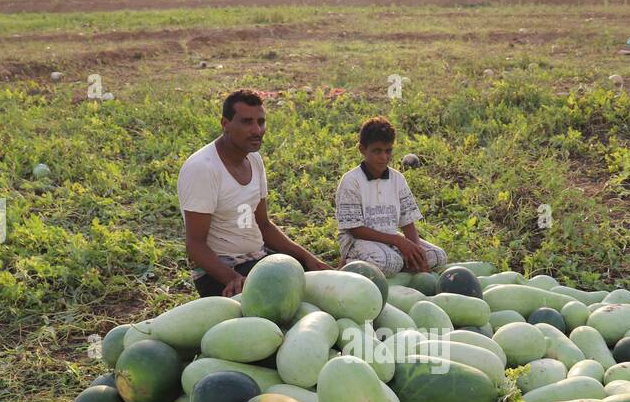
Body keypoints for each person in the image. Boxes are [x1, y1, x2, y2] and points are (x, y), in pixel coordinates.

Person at [178, 89, 329, 297]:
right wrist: (233, 279)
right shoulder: (203, 168)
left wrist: (307, 258)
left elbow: (264, 225)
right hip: (220, 273)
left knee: (320, 290)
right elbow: (195, 245)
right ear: (225, 124)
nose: (257, 130)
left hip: (259, 260)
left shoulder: (254, 159)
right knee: (285, 304)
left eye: (261, 122)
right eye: (246, 122)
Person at [334, 117, 447, 275]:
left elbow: (407, 221)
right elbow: (355, 229)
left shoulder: (397, 179)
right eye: (377, 151)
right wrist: (398, 241)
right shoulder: (351, 181)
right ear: (362, 149)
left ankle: (401, 266)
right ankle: (348, 263)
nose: (384, 157)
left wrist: (417, 254)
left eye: (388, 151)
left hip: (390, 240)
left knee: (437, 256)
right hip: (358, 242)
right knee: (389, 263)